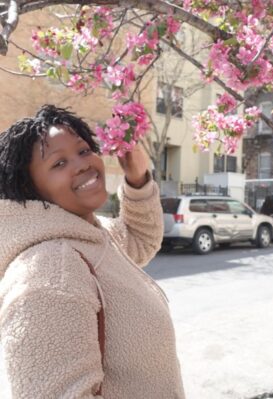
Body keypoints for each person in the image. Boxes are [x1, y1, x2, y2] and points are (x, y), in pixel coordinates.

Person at [0, 104, 185, 399]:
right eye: (58, 163)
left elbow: (141, 239)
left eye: (84, 150)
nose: (83, 164)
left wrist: (137, 177)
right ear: (29, 189)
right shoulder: (49, 271)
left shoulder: (89, 234)